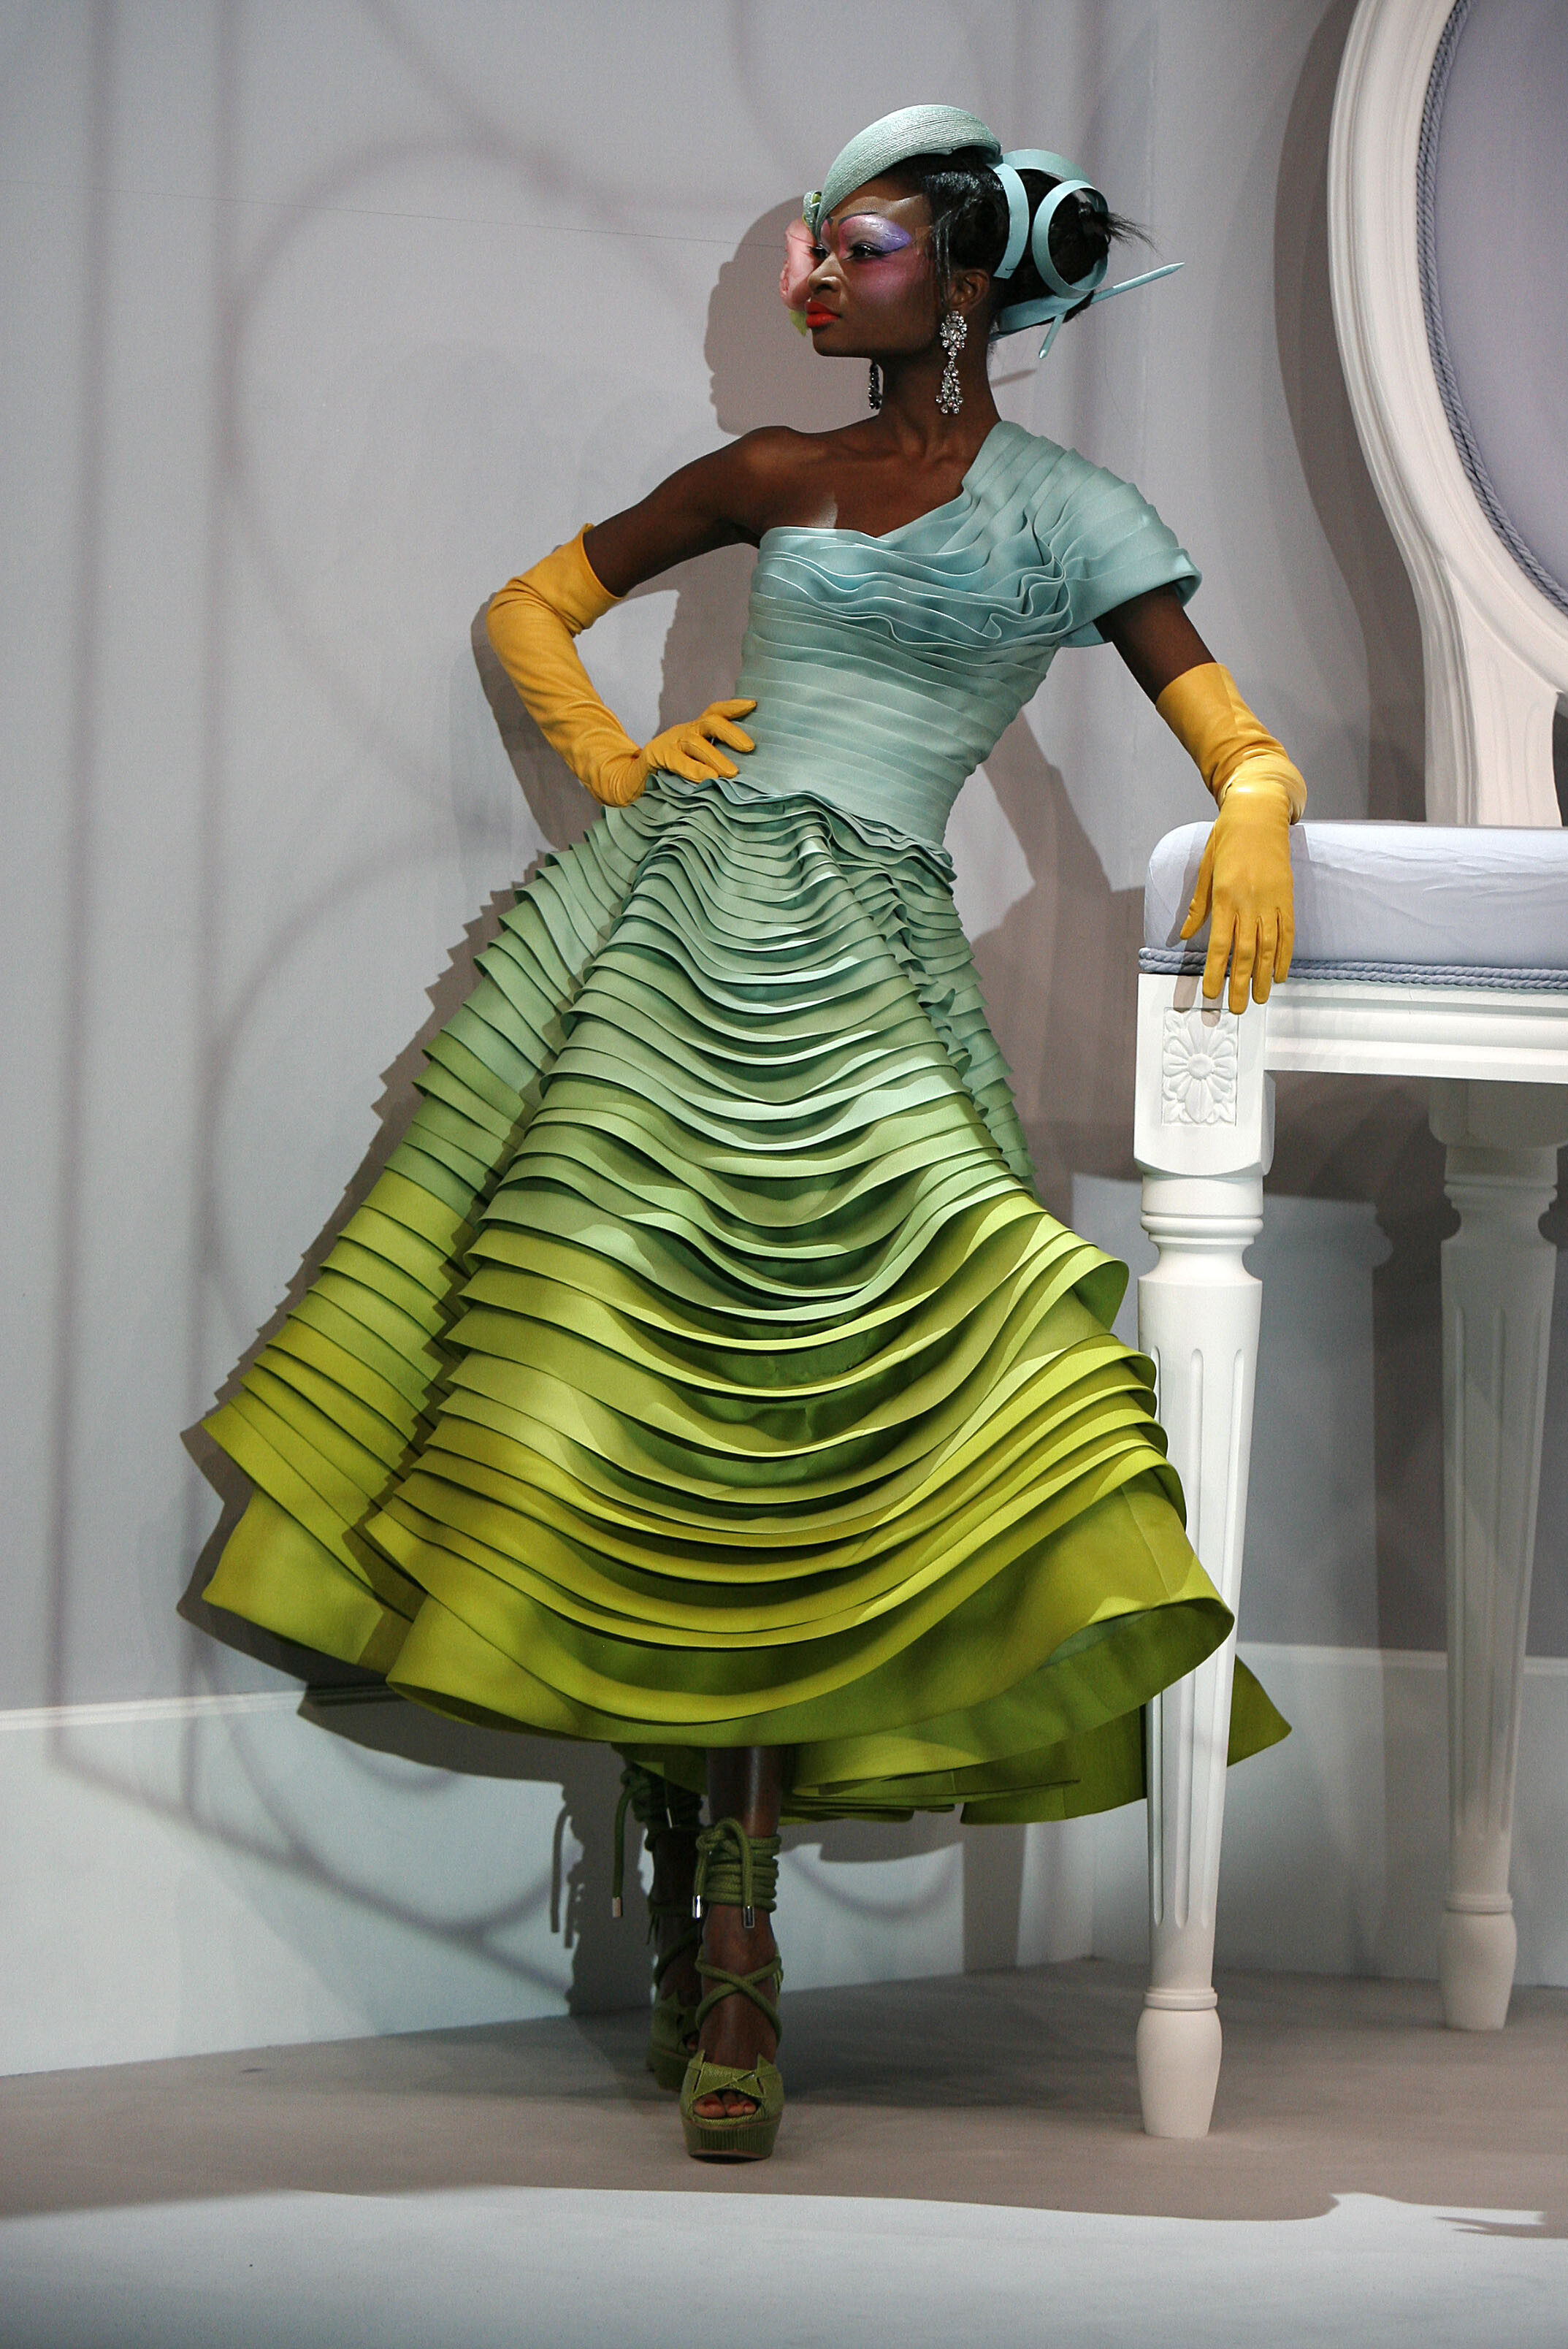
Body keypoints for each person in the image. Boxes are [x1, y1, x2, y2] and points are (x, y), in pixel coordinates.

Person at [199, 106, 1302, 2163]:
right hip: (678, 930)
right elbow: (526, 607)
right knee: (625, 1373)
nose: (811, 282)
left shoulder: (1077, 515)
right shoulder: (774, 471)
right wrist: (620, 761)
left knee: (841, 1399)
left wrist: (1256, 798)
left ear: (964, 284)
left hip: (872, 955)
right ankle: (725, 1925)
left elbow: (1216, 720)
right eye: (808, 248)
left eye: (854, 250)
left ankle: (726, 1889)